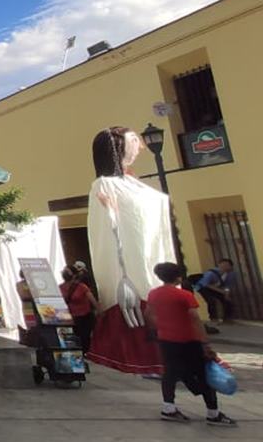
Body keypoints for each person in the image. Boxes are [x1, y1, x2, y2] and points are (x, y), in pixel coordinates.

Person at [86, 127, 168, 376]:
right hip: (131, 271)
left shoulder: (132, 184)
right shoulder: (104, 184)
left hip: (153, 257)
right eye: (135, 141)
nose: (141, 146)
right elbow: (108, 229)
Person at [147, 262, 235, 426]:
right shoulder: (184, 295)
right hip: (189, 340)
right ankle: (213, 413)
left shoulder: (154, 294)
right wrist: (205, 343)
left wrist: (162, 327)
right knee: (203, 374)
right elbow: (195, 319)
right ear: (179, 277)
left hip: (166, 339)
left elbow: (149, 314)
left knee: (170, 374)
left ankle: (169, 408)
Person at [60, 266, 99, 353]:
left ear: (74, 275)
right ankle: (78, 353)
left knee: (84, 337)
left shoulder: (81, 287)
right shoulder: (60, 287)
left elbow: (92, 299)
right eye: (64, 271)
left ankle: (85, 353)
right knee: (73, 336)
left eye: (67, 271)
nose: (65, 273)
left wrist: (98, 311)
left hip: (84, 316)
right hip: (70, 317)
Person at [195, 259, 235, 329]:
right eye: (223, 264)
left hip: (217, 288)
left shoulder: (230, 274)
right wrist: (220, 291)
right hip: (203, 288)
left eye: (227, 265)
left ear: (230, 267)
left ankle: (227, 318)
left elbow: (227, 286)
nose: (225, 267)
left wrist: (226, 294)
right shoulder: (211, 273)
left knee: (226, 301)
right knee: (211, 301)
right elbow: (206, 284)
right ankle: (213, 318)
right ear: (219, 265)